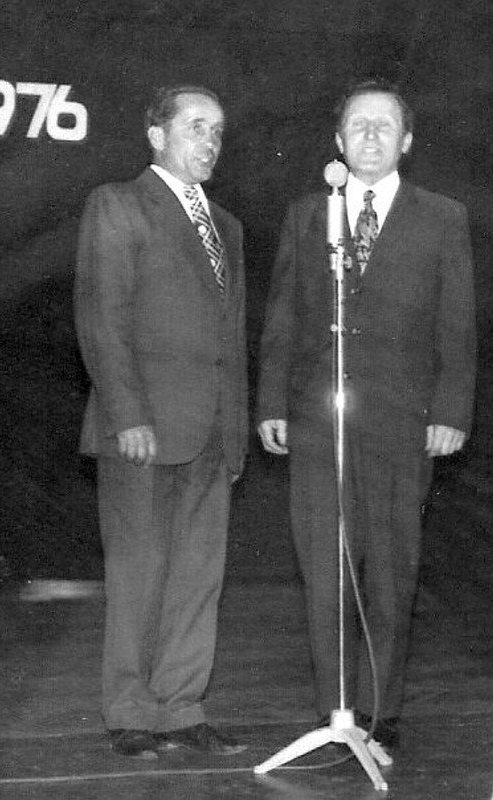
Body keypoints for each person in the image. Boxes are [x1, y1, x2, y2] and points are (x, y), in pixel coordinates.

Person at [257, 78, 476, 752]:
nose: (371, 136)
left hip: (402, 424)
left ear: (406, 141)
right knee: (325, 569)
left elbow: (457, 323)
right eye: (358, 125)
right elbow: (284, 315)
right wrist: (271, 402)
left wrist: (451, 409)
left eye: (385, 125)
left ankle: (385, 708)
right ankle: (337, 708)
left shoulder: (442, 217)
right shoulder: (307, 214)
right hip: (318, 421)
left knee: (391, 570)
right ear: (338, 140)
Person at [75, 85, 248, 758]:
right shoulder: (118, 204)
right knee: (138, 575)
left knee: (198, 577)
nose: (209, 141)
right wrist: (127, 415)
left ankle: (181, 708)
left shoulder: (227, 227)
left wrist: (234, 433)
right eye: (196, 126)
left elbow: (231, 342)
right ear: (156, 135)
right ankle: (129, 712)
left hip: (211, 434)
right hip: (142, 428)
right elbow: (103, 319)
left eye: (218, 131)